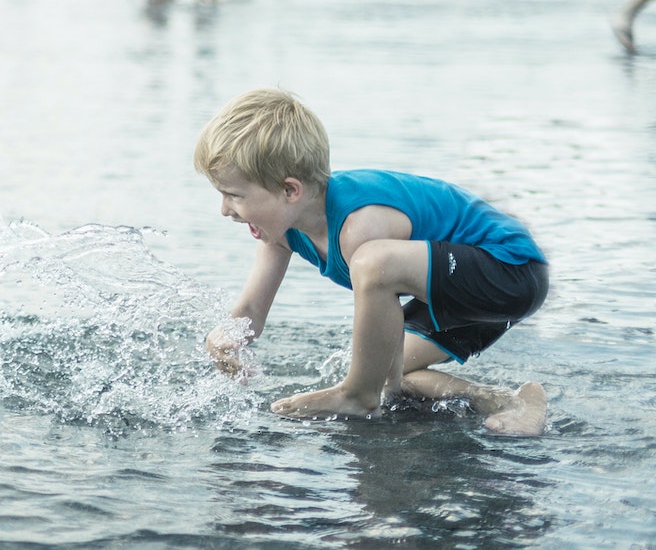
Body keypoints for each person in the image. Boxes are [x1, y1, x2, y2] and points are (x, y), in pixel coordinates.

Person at [195, 89, 548, 436]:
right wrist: (223, 341)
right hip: (454, 293)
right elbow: (251, 311)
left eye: (234, 196)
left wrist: (360, 391)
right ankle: (509, 402)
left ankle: (356, 396)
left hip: (511, 270)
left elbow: (381, 280)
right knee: (396, 380)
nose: (225, 210)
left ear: (290, 191)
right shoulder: (280, 230)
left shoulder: (358, 224)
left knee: (372, 265)